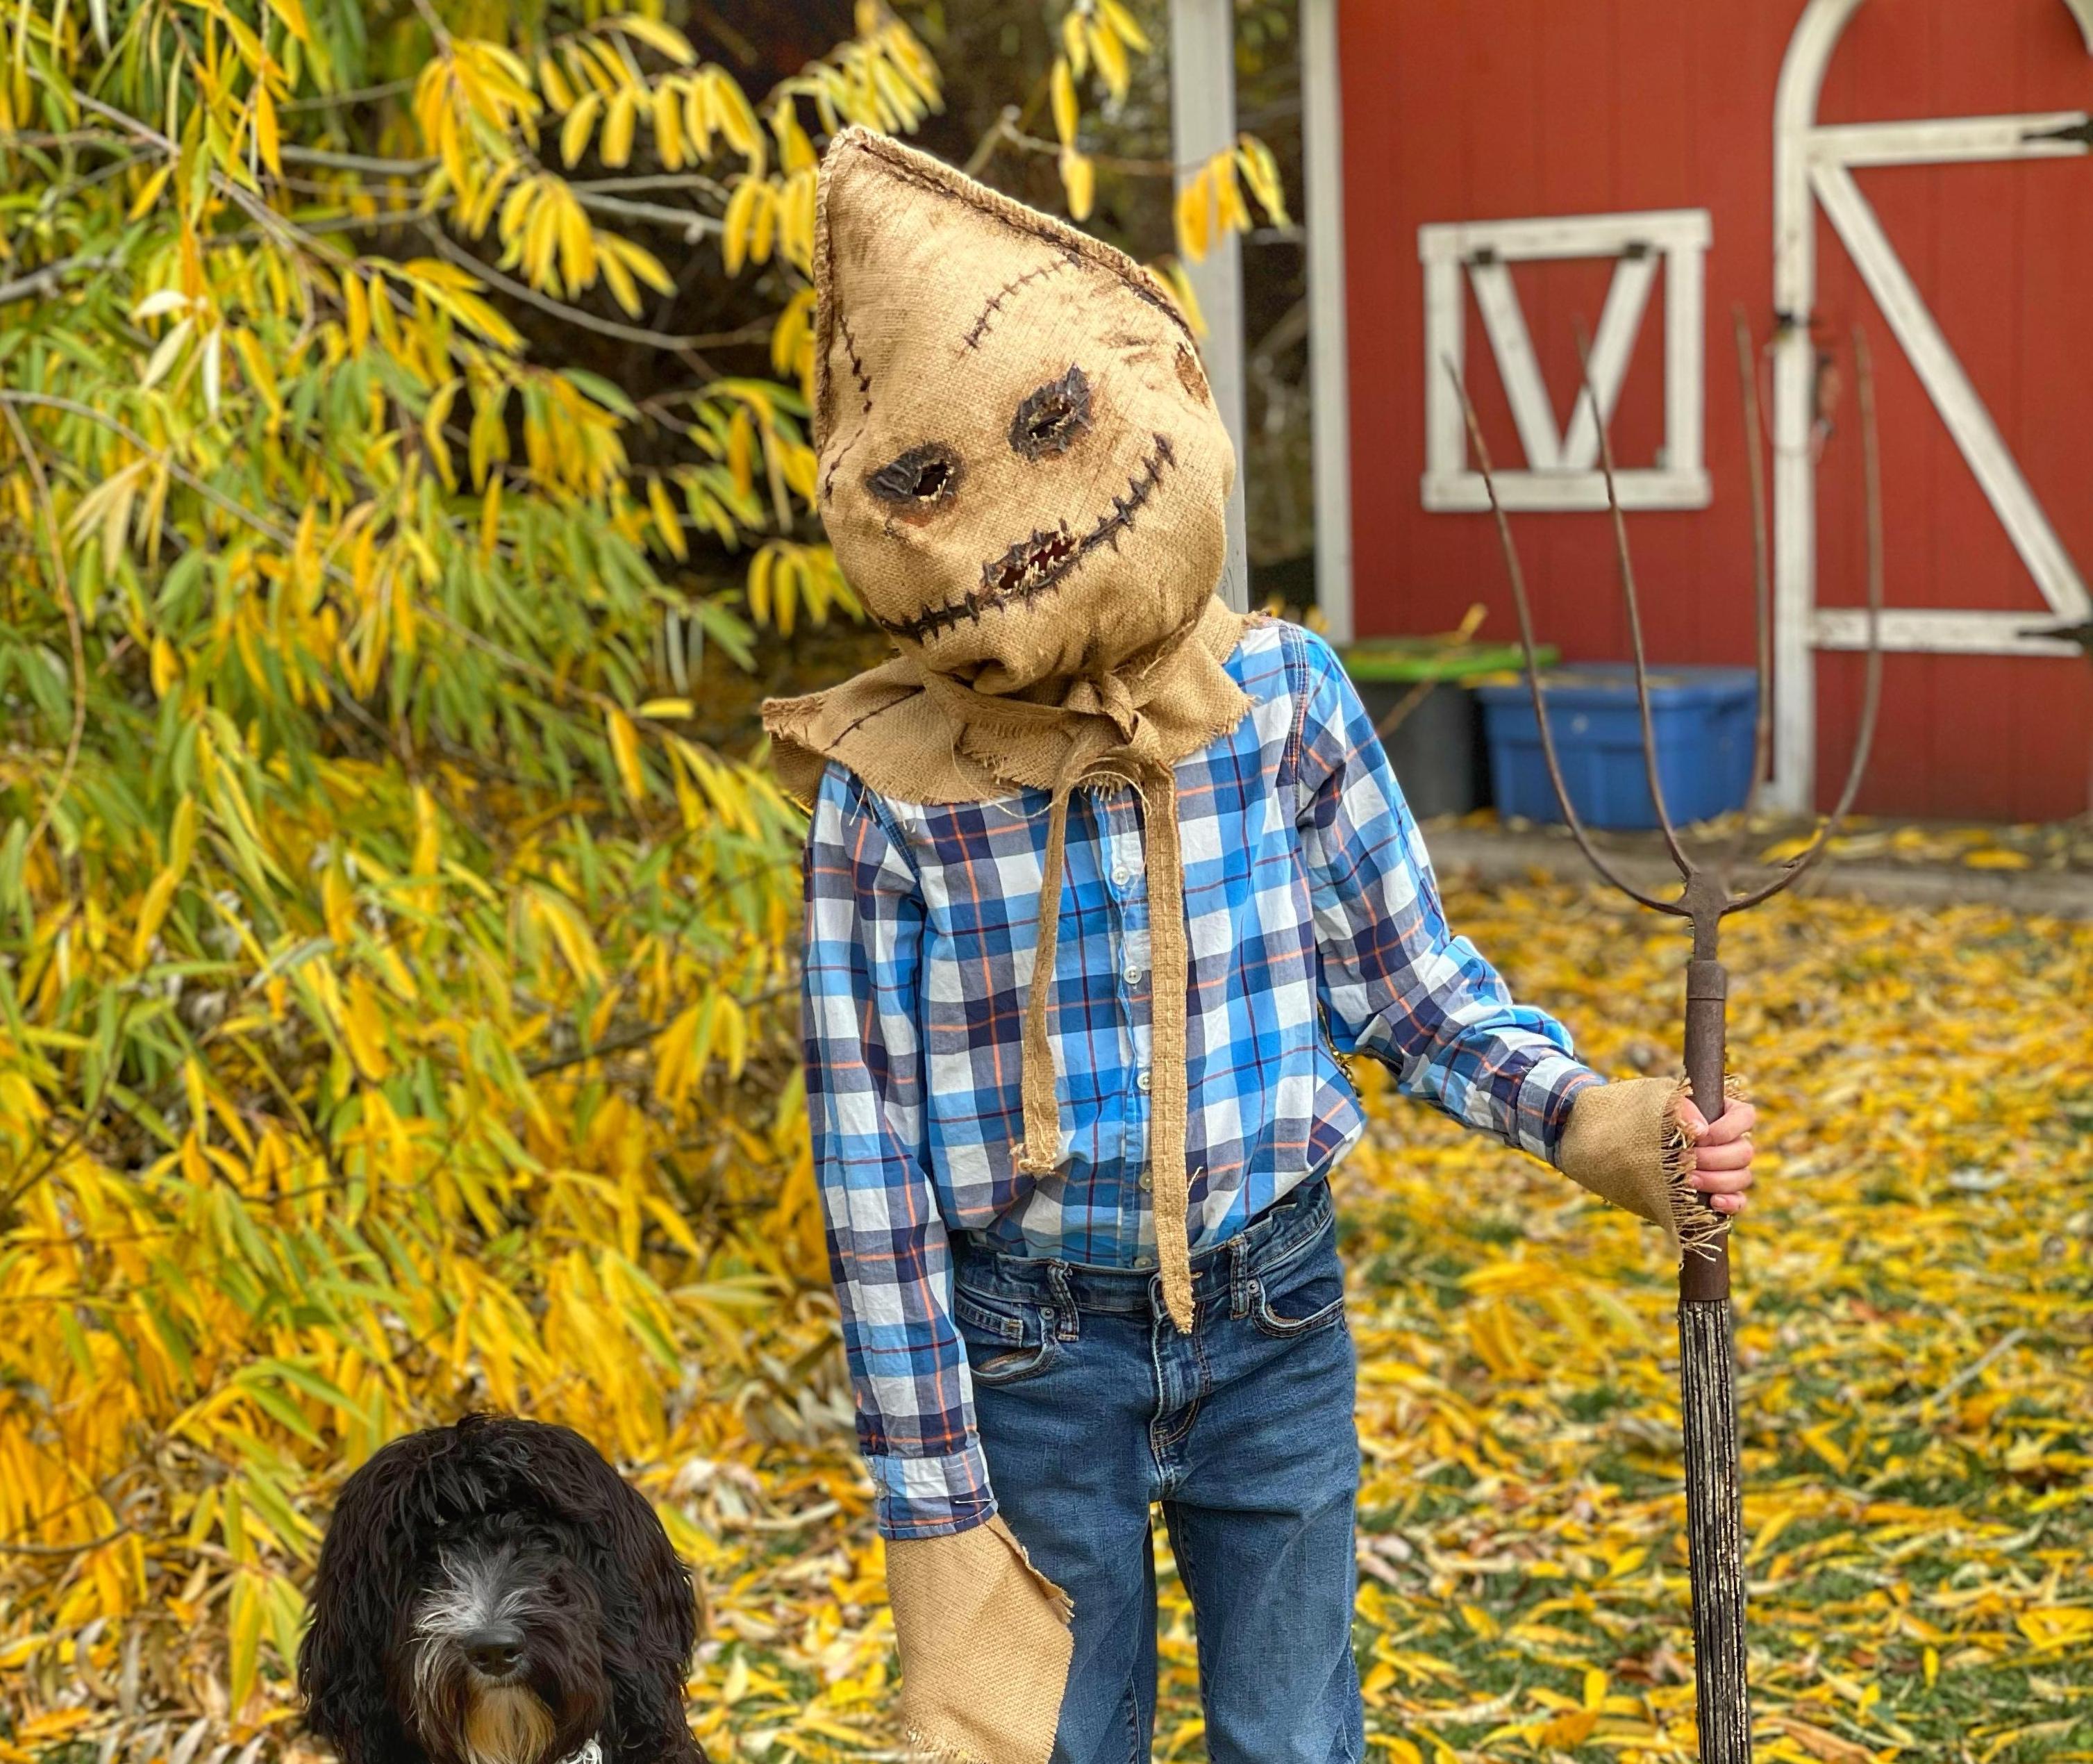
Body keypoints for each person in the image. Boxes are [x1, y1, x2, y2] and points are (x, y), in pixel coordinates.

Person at [765, 128, 1757, 1764]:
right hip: (1027, 1350)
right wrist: (932, 1488)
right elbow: (865, 1166)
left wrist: (1593, 1117)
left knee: (1292, 1738)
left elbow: (1409, 986)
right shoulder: (889, 797)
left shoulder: (1278, 701)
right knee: (1050, 1742)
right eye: (929, 482)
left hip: (1272, 1319)